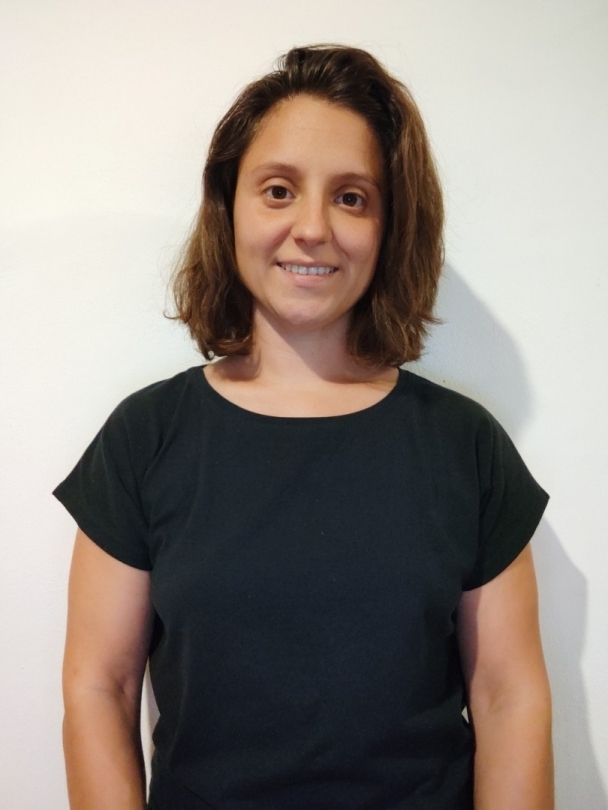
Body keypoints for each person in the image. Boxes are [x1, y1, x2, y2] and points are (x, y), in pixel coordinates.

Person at [54, 44, 553, 810]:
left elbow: (508, 696)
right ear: (230, 206)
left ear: (390, 225)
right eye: (279, 190)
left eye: (351, 197)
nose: (312, 228)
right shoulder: (145, 438)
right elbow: (100, 686)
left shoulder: (465, 445)